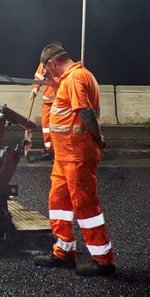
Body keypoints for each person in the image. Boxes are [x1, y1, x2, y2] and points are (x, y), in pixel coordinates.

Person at [33, 43, 116, 276]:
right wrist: (54, 83)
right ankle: (64, 252)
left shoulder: (75, 79)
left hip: (77, 156)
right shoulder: (71, 78)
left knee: (85, 206)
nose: (49, 76)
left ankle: (103, 260)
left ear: (52, 63)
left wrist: (98, 137)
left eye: (48, 72)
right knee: (59, 203)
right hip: (64, 157)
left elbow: (86, 112)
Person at [30, 53, 59, 160]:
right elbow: (38, 76)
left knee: (58, 127)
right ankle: (49, 150)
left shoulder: (60, 64)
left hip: (59, 102)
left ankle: (58, 152)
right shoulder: (44, 63)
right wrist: (35, 88)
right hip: (48, 101)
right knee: (46, 127)